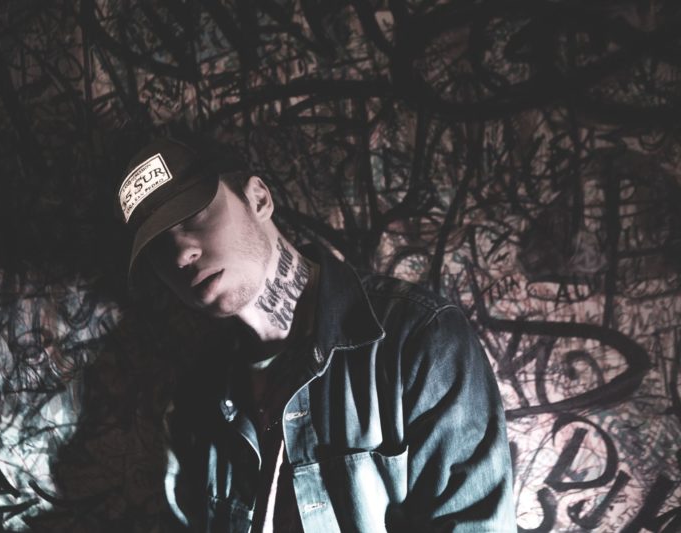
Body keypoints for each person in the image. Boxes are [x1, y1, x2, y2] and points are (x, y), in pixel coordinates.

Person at [115, 135, 517, 532]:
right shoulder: (196, 399)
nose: (181, 254)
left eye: (194, 215)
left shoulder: (418, 339)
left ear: (258, 199)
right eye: (159, 247)